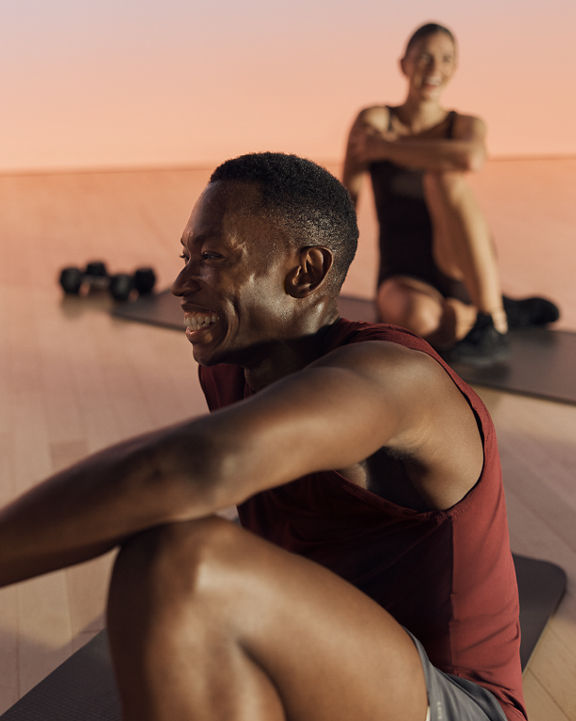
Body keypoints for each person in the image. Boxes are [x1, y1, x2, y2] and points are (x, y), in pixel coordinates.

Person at [0, 153, 526, 721]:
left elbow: (186, 468)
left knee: (183, 561)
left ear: (305, 272)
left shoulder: (394, 380)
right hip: (314, 669)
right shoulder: (230, 368)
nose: (180, 283)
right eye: (186, 257)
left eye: (212, 257)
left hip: (457, 704)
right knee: (181, 540)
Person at [343, 22, 559, 363]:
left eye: (446, 59)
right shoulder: (375, 119)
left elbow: (470, 157)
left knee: (443, 179)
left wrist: (386, 147)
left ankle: (493, 321)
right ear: (404, 65)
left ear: (454, 69)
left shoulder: (464, 125)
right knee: (420, 320)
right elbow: (346, 205)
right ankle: (494, 308)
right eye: (425, 57)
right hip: (402, 272)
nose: (435, 68)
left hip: (457, 260)